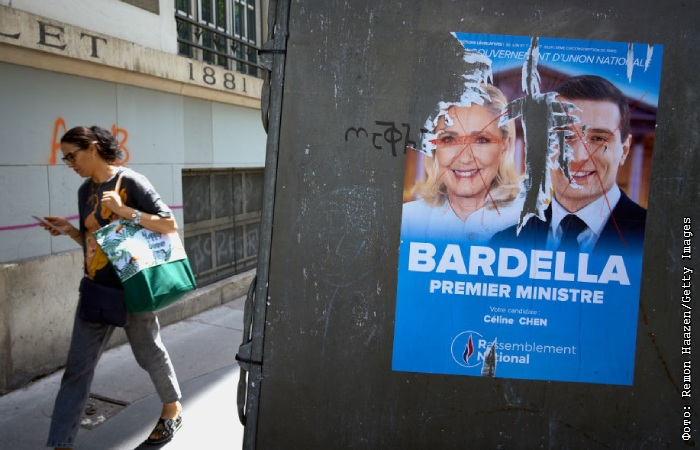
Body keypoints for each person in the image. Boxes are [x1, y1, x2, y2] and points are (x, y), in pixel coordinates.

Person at [41, 126, 183, 448]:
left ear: (92, 148)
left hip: (133, 287)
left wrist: (123, 210)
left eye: (72, 156)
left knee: (149, 353)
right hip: (96, 289)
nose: (69, 164)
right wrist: (70, 231)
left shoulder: (130, 181)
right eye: (65, 159)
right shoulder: (85, 191)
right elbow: (94, 242)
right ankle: (60, 444)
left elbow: (168, 223)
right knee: (77, 370)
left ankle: (172, 408)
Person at [491, 75, 646, 253]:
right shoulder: (503, 243)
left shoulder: (654, 238)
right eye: (563, 136)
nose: (578, 157)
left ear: (624, 150)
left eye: (598, 138)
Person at [401, 84, 522, 243]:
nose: (465, 158)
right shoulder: (407, 222)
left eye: (481, 140)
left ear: (504, 147)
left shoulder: (531, 225)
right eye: (449, 140)